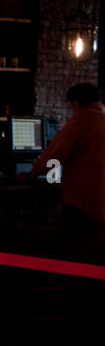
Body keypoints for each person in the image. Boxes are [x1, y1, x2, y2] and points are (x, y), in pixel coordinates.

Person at [23, 82, 105, 265]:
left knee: (75, 258)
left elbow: (55, 154)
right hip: (101, 206)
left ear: (75, 103)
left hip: (84, 205)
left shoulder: (82, 119)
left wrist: (32, 174)